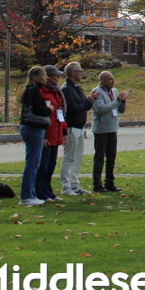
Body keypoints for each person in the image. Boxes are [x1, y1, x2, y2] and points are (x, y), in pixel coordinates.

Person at [60, 62, 98, 196]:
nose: (82, 74)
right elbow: (72, 108)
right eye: (80, 71)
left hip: (80, 126)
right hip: (71, 126)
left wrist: (89, 101)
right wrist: (89, 101)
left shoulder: (78, 88)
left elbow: (83, 106)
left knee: (77, 157)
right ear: (72, 73)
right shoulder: (66, 89)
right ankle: (66, 186)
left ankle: (75, 184)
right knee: (69, 157)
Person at [91, 71, 131, 193]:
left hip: (112, 129)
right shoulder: (97, 92)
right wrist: (116, 101)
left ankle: (109, 182)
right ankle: (97, 184)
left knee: (111, 157)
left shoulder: (114, 91)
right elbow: (101, 109)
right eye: (110, 79)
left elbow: (121, 110)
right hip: (101, 130)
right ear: (103, 81)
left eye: (113, 79)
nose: (113, 81)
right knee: (99, 158)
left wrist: (123, 101)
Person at [18, 66, 52, 206]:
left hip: (32, 129)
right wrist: (48, 109)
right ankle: (26, 196)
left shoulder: (31, 90)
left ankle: (30, 194)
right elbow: (38, 109)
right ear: (36, 77)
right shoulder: (33, 90)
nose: (46, 78)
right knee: (32, 164)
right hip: (33, 128)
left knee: (33, 164)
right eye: (44, 75)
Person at [35, 65, 68, 203]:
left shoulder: (57, 92)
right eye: (56, 76)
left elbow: (60, 112)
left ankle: (48, 191)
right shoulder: (41, 91)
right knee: (43, 165)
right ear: (48, 77)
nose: (58, 78)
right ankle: (40, 192)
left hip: (56, 132)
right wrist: (42, 136)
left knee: (51, 164)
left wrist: (64, 132)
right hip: (47, 132)